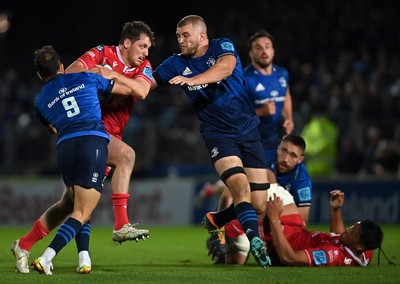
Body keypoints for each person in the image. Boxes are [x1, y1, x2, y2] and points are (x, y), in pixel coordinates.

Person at [11, 20, 154, 274]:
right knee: (125, 157)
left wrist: (112, 75)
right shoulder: (100, 53)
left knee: (71, 203)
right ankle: (119, 225)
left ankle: (31, 245)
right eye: (142, 46)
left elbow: (142, 91)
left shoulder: (142, 66)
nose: (146, 53)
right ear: (127, 42)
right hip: (93, 133)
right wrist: (100, 81)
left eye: (149, 48)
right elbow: (74, 75)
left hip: (75, 138)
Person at [152, 15, 270, 268]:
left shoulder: (221, 46)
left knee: (259, 204)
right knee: (240, 186)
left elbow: (225, 68)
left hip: (248, 129)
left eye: (185, 35)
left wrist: (193, 80)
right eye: (178, 36)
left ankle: (218, 219)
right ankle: (255, 241)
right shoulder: (175, 63)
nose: (180, 40)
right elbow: (146, 83)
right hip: (218, 134)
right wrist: (114, 81)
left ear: (202, 36)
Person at [28, 45, 134, 275]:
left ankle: (84, 259)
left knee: (77, 204)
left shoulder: (39, 101)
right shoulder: (86, 78)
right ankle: (46, 257)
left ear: (39, 75)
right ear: (62, 67)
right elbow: (124, 91)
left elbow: (52, 129)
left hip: (65, 147)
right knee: (82, 211)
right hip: (92, 141)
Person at [224, 189, 383, 267]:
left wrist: (274, 220)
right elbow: (339, 234)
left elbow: (289, 258)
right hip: (295, 230)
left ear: (359, 246)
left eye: (353, 231)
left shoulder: (330, 256)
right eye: (353, 226)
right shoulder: (365, 252)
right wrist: (335, 210)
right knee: (266, 182)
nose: (348, 229)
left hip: (278, 241)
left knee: (251, 200)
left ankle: (223, 232)